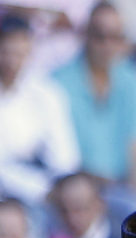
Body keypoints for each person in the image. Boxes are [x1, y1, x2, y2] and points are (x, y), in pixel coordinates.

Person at [52, 2, 136, 202]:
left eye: (115, 37)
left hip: (121, 187)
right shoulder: (59, 82)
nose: (108, 45)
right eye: (100, 36)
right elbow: (62, 157)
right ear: (85, 35)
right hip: (74, 189)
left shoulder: (131, 79)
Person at [0, 14, 80, 213]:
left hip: (47, 190)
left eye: (19, 53)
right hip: (16, 193)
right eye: (6, 52)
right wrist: (40, 189)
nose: (12, 61)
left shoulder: (45, 92)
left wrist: (62, 189)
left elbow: (64, 156)